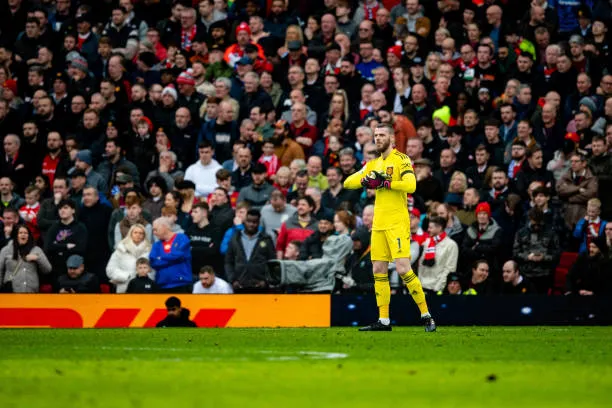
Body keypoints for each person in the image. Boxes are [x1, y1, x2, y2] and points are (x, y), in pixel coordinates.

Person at [344, 123, 435, 332]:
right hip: (379, 224)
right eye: (375, 135)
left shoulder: (401, 159)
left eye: (382, 135)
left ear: (392, 139)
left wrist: (386, 183)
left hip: (397, 222)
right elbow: (349, 182)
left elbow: (411, 185)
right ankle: (383, 320)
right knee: (378, 269)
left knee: (403, 268)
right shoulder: (373, 163)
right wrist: (366, 180)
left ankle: (426, 314)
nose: (377, 138)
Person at [225, 209, 275, 293]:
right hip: (239, 286)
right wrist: (232, 280)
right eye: (248, 221)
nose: (251, 224)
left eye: (254, 222)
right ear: (244, 221)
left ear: (259, 223)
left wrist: (266, 281)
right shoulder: (235, 239)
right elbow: (228, 262)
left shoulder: (266, 239)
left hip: (260, 287)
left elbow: (272, 262)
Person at [0, 225, 51, 293]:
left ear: (29, 236)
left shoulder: (36, 250)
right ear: (15, 235)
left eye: (26, 233)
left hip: (31, 291)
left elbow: (48, 269)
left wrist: (37, 258)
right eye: (20, 233)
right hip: (11, 291)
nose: (23, 235)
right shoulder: (6, 250)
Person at [417, 216, 459, 294]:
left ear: (439, 228)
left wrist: (438, 288)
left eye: (430, 227)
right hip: (422, 287)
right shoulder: (427, 242)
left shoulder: (451, 245)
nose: (428, 230)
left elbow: (450, 269)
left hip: (437, 289)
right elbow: (421, 265)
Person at [149, 217, 193, 293]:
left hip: (181, 283)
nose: (154, 233)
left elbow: (180, 255)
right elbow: (153, 262)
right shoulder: (156, 245)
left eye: (155, 229)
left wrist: (161, 258)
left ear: (164, 227)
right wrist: (173, 258)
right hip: (162, 285)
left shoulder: (182, 238)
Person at [106, 224, 152, 293]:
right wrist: (127, 277)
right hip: (124, 288)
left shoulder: (150, 251)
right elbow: (110, 270)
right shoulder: (121, 250)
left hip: (145, 289)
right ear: (130, 234)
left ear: (144, 236)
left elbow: (153, 270)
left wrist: (146, 278)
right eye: (135, 232)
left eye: (141, 233)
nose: (138, 235)